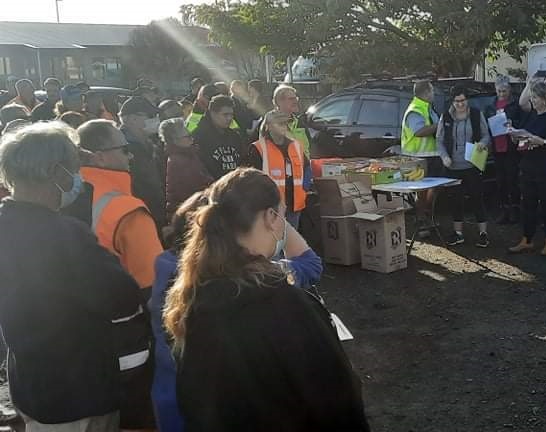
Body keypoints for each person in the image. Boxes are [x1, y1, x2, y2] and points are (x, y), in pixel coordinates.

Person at [163, 168, 368, 431]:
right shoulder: (287, 306)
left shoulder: (192, 299)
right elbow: (337, 401)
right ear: (270, 217)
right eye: (282, 215)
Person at [0, 122, 145, 432]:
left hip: (29, 383)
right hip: (77, 390)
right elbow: (122, 296)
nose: (79, 178)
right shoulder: (65, 237)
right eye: (73, 168)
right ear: (55, 173)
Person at [72, 120, 160, 430]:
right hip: (124, 342)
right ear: (98, 156)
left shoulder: (61, 197)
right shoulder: (126, 209)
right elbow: (153, 287)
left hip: (69, 341)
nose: (130, 156)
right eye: (123, 149)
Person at [507, 82, 546, 257]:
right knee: (527, 205)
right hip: (528, 167)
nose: (532, 101)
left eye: (535, 97)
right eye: (532, 97)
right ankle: (527, 239)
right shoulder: (531, 116)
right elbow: (524, 135)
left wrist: (540, 141)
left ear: (544, 98)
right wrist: (516, 136)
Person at [437, 86, 492, 248]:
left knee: (477, 198)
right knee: (455, 200)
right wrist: (444, 156)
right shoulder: (445, 117)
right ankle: (458, 233)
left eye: (463, 100)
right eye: (457, 101)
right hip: (453, 166)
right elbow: (439, 140)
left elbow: (486, 134)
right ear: (452, 102)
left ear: (467, 100)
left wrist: (482, 143)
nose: (460, 104)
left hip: (472, 164)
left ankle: (483, 234)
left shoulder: (476, 114)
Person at [245, 110, 312, 228]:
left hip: (293, 206)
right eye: (279, 123)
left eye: (285, 124)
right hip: (270, 207)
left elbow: (307, 168)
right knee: (272, 244)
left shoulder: (296, 146)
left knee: (289, 242)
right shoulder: (258, 148)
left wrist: (304, 188)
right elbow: (251, 177)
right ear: (269, 126)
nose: (284, 127)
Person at [401, 81, 442, 236]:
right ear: (425, 93)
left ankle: (427, 216)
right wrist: (440, 125)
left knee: (435, 189)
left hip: (433, 155)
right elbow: (419, 131)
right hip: (418, 157)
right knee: (422, 192)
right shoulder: (415, 109)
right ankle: (421, 221)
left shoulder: (428, 108)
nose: (434, 94)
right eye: (432, 91)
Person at [484, 75, 525, 225]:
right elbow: (486, 127)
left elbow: (523, 123)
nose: (502, 94)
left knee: (512, 180)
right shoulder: (490, 107)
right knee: (500, 181)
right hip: (497, 148)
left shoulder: (515, 105)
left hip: (511, 148)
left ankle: (515, 210)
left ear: (509, 90)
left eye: (504, 91)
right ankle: (504, 210)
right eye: (499, 91)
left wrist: (512, 123)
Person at [120, 96, 166, 227]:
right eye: (150, 115)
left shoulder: (151, 143)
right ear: (132, 118)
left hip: (156, 213)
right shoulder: (122, 147)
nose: (155, 119)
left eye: (156, 115)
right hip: (137, 216)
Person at [160, 118, 212, 223]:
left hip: (189, 209)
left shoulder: (190, 155)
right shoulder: (178, 160)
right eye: (187, 137)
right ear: (175, 140)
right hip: (187, 213)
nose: (192, 139)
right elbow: (191, 188)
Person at [192, 95, 245, 179]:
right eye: (225, 115)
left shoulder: (234, 136)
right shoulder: (199, 137)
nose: (230, 118)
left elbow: (243, 162)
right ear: (212, 113)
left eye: (231, 114)